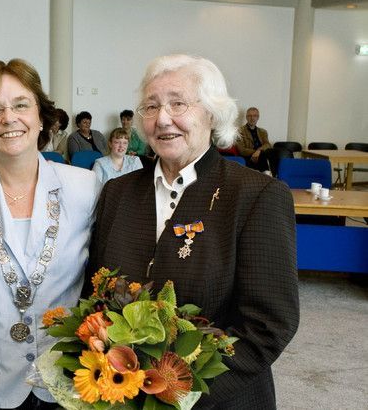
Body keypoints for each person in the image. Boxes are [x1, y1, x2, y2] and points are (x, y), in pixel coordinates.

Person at [88, 54, 299, 409]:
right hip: (122, 394)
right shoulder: (117, 192)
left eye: (178, 104)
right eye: (151, 107)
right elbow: (94, 293)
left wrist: (180, 393)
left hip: (219, 400)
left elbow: (269, 325)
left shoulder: (256, 195)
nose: (163, 118)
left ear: (212, 114)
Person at [0, 58, 101, 409]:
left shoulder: (85, 189)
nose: (9, 118)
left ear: (41, 117)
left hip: (65, 378)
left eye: (21, 105)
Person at [235, 107, 274, 174]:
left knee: (273, 151)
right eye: (250, 116)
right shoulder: (239, 131)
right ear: (246, 117)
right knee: (263, 153)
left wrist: (259, 151)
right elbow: (242, 151)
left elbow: (267, 145)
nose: (252, 118)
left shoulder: (263, 132)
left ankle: (274, 174)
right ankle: (267, 174)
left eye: (255, 116)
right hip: (248, 157)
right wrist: (256, 153)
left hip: (262, 156)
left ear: (258, 117)